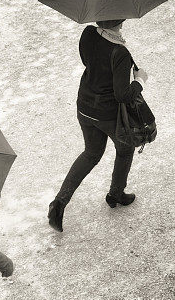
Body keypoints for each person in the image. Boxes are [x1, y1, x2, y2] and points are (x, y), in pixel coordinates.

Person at [48, 19, 149, 231]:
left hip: (84, 106)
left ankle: (59, 203)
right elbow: (122, 95)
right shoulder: (120, 52)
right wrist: (139, 80)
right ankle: (116, 194)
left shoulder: (88, 33)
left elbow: (87, 62)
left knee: (91, 154)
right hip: (107, 114)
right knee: (125, 149)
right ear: (120, 20)